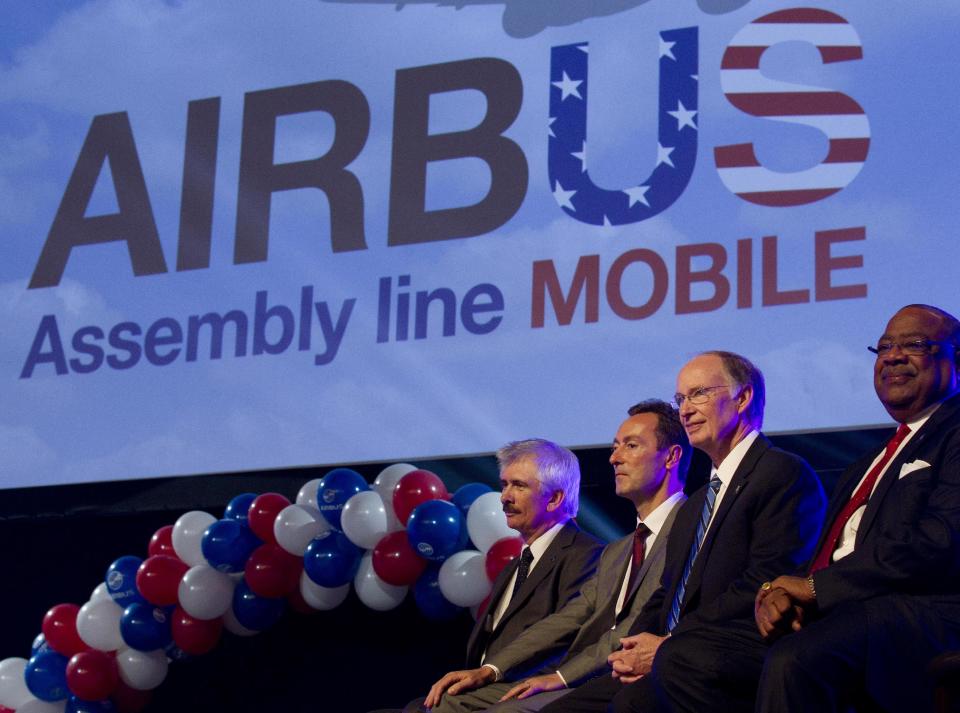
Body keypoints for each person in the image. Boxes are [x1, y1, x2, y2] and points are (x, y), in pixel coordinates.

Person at [541, 350, 826, 713]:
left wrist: (669, 642)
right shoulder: (697, 503)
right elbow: (666, 591)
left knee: (633, 704)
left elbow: (765, 581)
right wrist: (633, 647)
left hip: (735, 652)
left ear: (743, 397)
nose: (685, 410)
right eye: (680, 399)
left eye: (698, 394)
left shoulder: (783, 474)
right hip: (677, 654)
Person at [754, 304, 960, 713]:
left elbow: (940, 540)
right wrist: (774, 593)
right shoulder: (863, 466)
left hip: (924, 609)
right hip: (851, 610)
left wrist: (816, 590)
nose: (893, 356)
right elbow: (827, 557)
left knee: (796, 662)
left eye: (915, 344)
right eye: (884, 347)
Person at [423, 400, 689, 712]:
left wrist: (561, 677)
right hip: (584, 677)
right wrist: (490, 670)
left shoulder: (690, 528)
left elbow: (636, 624)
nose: (614, 458)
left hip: (632, 680)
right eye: (615, 447)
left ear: (670, 456)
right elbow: (568, 618)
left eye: (630, 446)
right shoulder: (618, 551)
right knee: (445, 705)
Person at [415, 438, 604, 713]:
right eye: (504, 484)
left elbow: (570, 643)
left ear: (555, 498)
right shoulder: (514, 566)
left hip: (531, 692)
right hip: (483, 691)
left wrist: (492, 675)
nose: (505, 496)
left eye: (519, 485)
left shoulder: (588, 555)